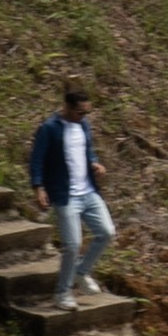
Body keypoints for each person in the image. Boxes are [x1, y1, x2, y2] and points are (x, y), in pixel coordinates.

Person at [29, 80, 115, 308]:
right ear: (66, 107)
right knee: (72, 244)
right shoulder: (49, 128)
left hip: (88, 192)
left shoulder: (83, 125)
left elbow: (88, 151)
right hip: (65, 195)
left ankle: (81, 271)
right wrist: (39, 187)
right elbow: (37, 160)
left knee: (106, 232)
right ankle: (63, 293)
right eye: (79, 112)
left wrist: (95, 164)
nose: (83, 116)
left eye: (86, 112)